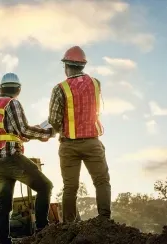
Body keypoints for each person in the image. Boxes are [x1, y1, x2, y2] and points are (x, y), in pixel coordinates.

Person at [0, 73, 54, 244]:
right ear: (18, 89)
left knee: (4, 204)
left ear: (0, 88)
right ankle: (42, 230)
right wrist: (46, 133)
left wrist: (24, 136)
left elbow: (7, 133)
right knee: (45, 186)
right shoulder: (13, 103)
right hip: (11, 159)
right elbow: (23, 129)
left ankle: (3, 240)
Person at [47, 46, 112, 223]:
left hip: (69, 145)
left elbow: (53, 119)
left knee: (70, 187)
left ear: (66, 66)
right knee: (101, 181)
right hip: (92, 143)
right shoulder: (96, 83)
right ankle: (104, 220)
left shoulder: (60, 88)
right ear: (82, 65)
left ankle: (69, 225)